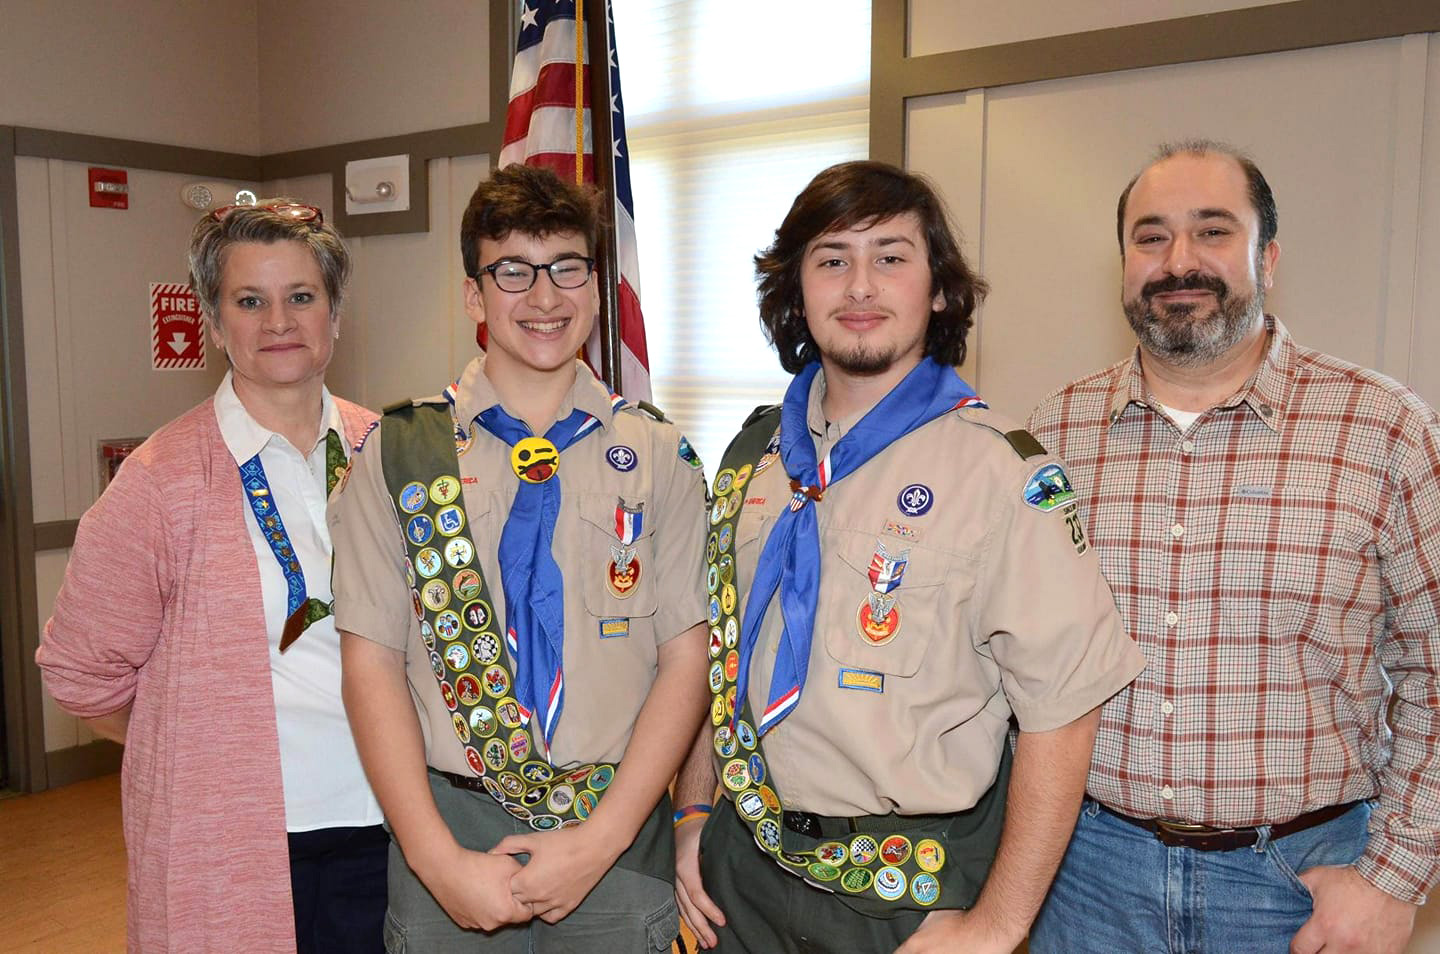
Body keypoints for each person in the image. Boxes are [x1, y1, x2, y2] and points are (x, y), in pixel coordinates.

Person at [671, 160, 1146, 954]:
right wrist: (691, 815)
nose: (860, 286)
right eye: (832, 260)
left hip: (909, 896)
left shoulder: (1006, 472)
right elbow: (718, 649)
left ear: (938, 291)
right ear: (795, 291)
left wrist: (996, 927)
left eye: (891, 257)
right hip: (739, 877)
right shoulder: (752, 455)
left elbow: (1064, 712)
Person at [1027, 139, 1440, 954]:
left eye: (1213, 231)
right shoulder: (1050, 437)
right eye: (1150, 237)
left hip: (1302, 886)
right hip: (1084, 884)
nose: (1178, 260)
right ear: (1122, 263)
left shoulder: (1384, 431)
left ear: (1269, 257)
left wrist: (1395, 880)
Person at [329, 163, 708, 951]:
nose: (545, 297)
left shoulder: (661, 455)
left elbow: (688, 660)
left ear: (597, 286)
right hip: (449, 822)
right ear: (474, 295)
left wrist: (600, 841)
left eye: (568, 267)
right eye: (513, 271)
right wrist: (436, 859)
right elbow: (371, 667)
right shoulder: (401, 454)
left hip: (615, 824)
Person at [35, 200, 386, 953]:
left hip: (392, 828)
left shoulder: (389, 455)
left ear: (335, 313)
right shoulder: (160, 481)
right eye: (249, 301)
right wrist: (198, 746)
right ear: (216, 324)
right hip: (236, 847)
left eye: (301, 296)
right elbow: (79, 675)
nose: (278, 321)